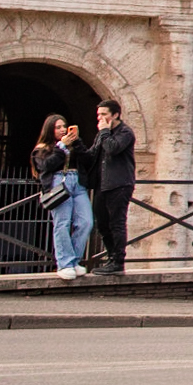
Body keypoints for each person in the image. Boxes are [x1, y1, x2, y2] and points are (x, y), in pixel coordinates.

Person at [74, 100, 137, 275]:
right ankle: (111, 258)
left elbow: (112, 149)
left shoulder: (125, 133)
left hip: (120, 184)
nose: (100, 118)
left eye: (104, 114)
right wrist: (77, 143)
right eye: (99, 115)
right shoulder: (103, 135)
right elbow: (91, 157)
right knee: (102, 224)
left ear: (115, 115)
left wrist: (104, 132)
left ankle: (118, 262)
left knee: (117, 223)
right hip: (102, 185)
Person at [32, 114, 94, 280]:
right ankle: (65, 263)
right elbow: (46, 166)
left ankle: (74, 260)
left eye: (64, 126)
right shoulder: (43, 148)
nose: (62, 130)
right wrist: (61, 147)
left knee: (86, 222)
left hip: (78, 183)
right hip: (58, 182)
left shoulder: (74, 145)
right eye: (57, 127)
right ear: (50, 130)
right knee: (63, 223)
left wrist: (78, 143)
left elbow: (89, 160)